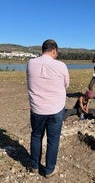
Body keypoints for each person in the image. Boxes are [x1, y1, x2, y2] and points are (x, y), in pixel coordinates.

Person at [26, 39, 70, 178]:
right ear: (54, 51)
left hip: (37, 109)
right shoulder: (61, 66)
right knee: (53, 140)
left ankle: (34, 165)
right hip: (56, 109)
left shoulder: (30, 63)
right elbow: (66, 84)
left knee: (36, 136)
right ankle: (49, 169)